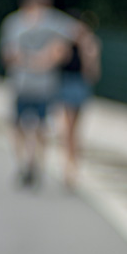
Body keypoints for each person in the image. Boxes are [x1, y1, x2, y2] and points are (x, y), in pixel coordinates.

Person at [0, 0, 78, 188]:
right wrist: (36, 60)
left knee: (39, 128)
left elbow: (75, 37)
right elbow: (8, 54)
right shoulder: (14, 22)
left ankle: (35, 165)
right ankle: (26, 164)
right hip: (23, 84)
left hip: (42, 86)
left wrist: (47, 58)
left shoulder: (53, 21)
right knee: (20, 126)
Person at [55, 12, 102, 187]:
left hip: (80, 86)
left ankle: (73, 165)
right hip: (65, 85)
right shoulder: (62, 43)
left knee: (76, 130)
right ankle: (67, 166)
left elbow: (92, 74)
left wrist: (88, 54)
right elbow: (56, 63)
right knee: (66, 129)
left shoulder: (90, 45)